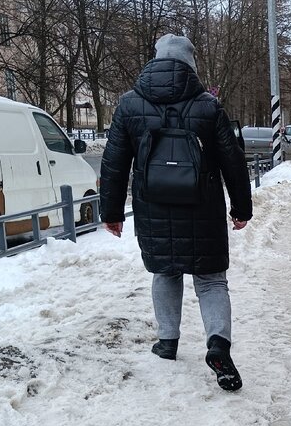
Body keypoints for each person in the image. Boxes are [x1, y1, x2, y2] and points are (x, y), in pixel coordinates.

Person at [99, 34, 252, 392]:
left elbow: (114, 162)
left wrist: (111, 212)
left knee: (165, 272)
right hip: (203, 205)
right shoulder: (208, 106)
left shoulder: (129, 105)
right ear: (190, 64)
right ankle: (218, 344)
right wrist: (241, 208)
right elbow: (233, 160)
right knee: (211, 279)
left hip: (153, 206)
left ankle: (167, 342)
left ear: (156, 60)